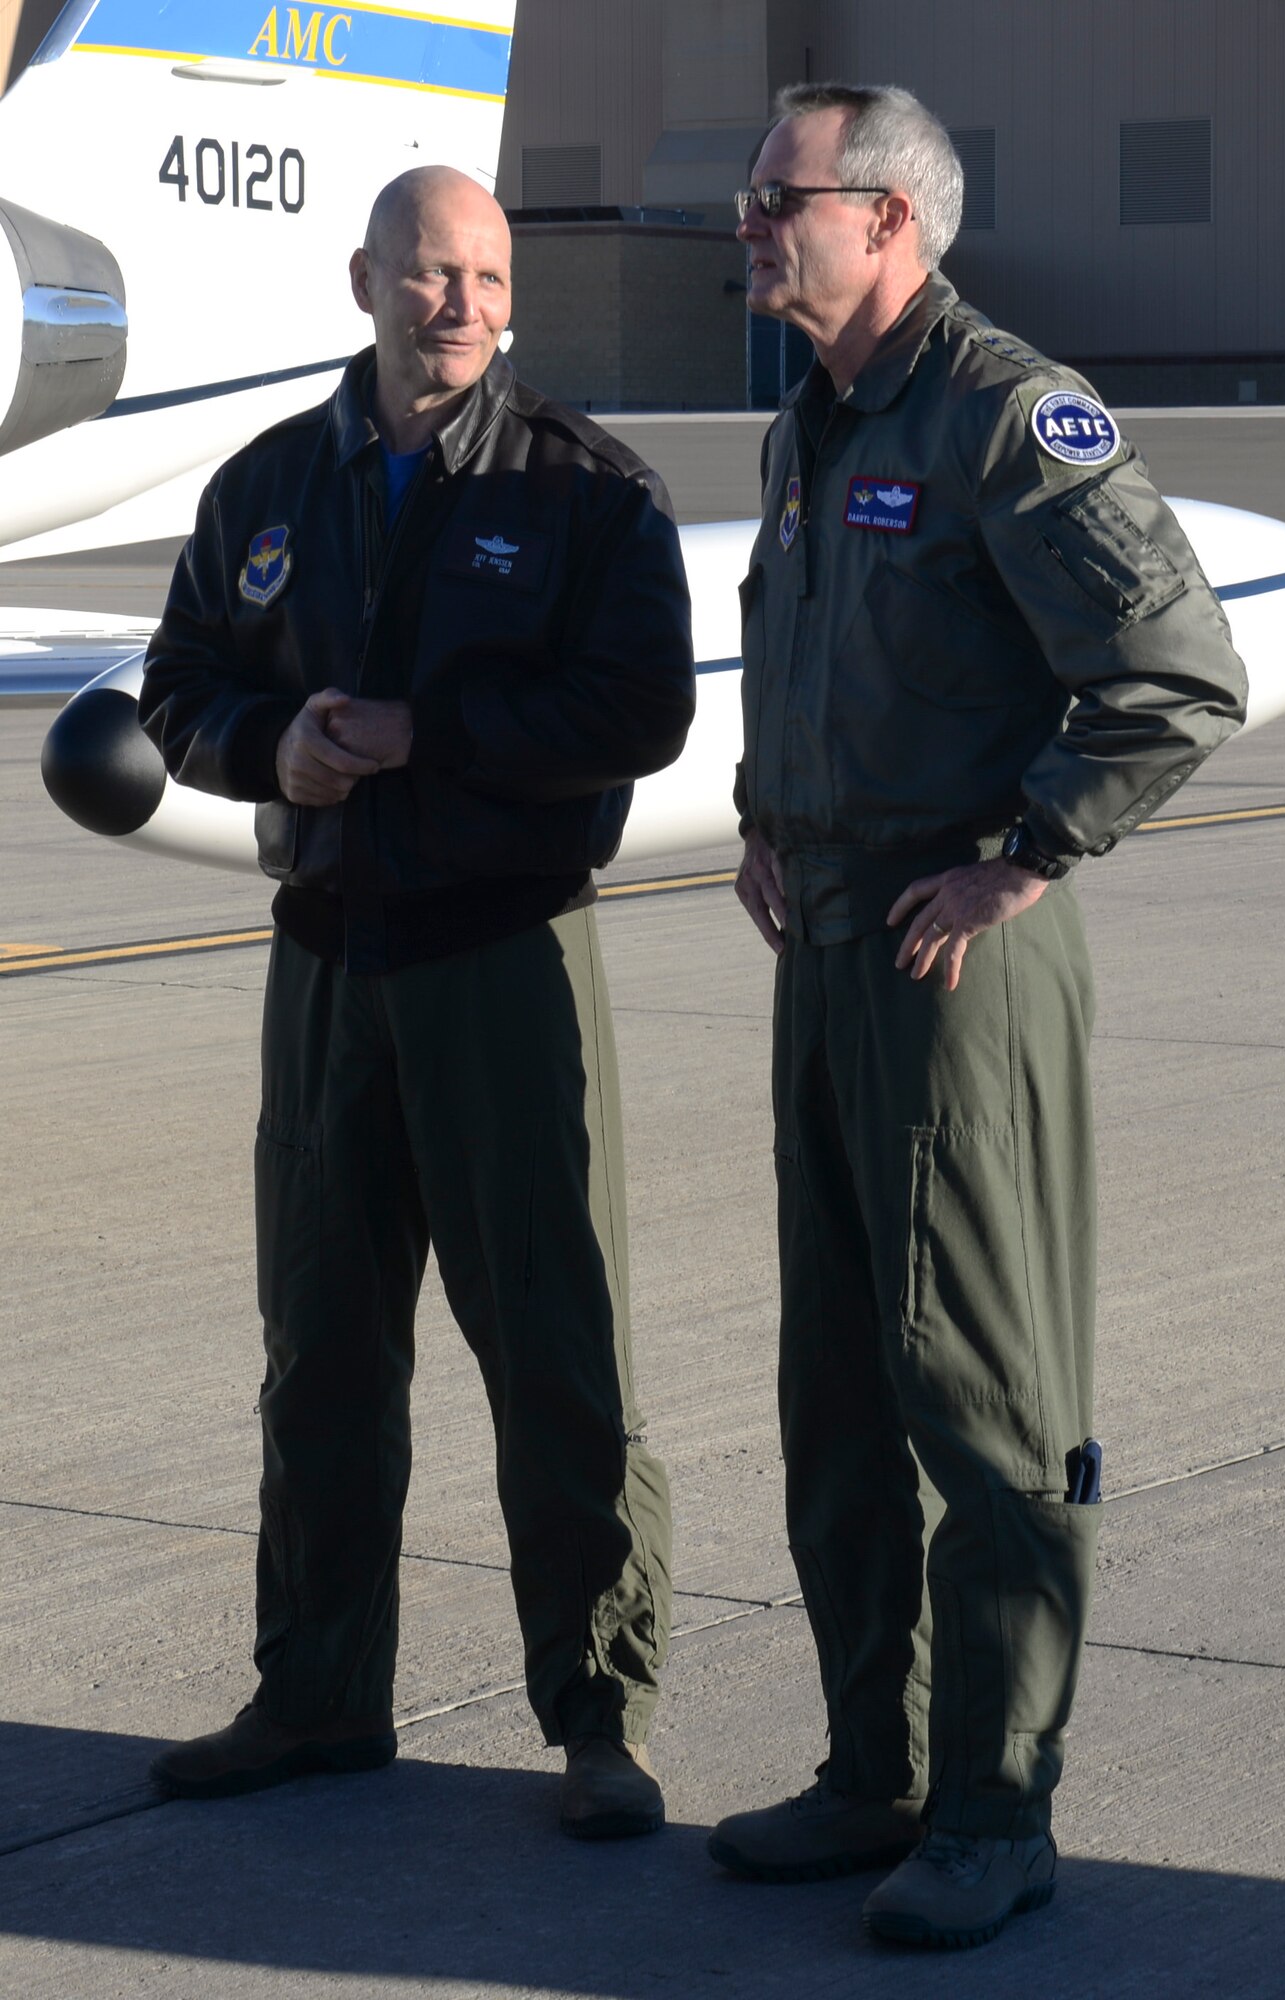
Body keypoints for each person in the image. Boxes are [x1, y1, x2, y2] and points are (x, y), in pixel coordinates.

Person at [709, 84, 1248, 1946]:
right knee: (838, 1384)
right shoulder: (814, 419)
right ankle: (877, 1774)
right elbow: (820, 653)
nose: (751, 223)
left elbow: (1176, 674)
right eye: (756, 196)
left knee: (979, 1387)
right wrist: (775, 823)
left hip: (957, 962)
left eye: (783, 198)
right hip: (829, 948)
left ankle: (997, 1811)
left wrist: (1025, 852)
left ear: (892, 223)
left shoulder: (1008, 413)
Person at [138, 166, 695, 1840]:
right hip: (323, 961)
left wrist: (424, 738)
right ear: (361, 279)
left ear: (511, 299)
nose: (452, 304)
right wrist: (268, 748)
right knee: (318, 1348)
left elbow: (643, 710)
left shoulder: (587, 490)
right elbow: (181, 685)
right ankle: (316, 1693)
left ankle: (598, 1717)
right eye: (423, 274)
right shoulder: (263, 485)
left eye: (482, 278)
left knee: (551, 1344)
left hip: (498, 964)